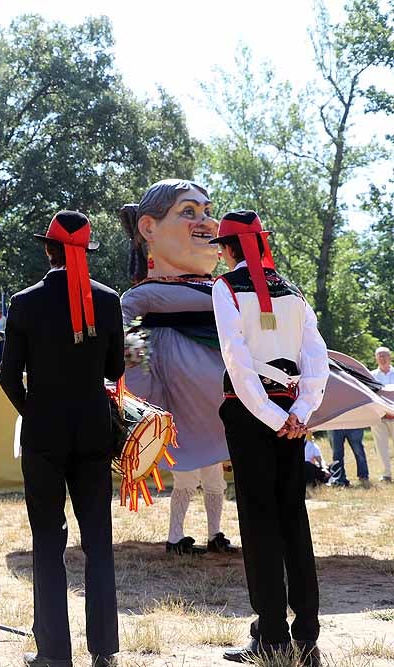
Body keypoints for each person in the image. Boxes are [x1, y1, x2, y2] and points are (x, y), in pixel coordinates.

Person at [0, 211, 123, 667]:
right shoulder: (108, 300)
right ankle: (104, 650)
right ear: (84, 252)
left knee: (47, 543)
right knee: (99, 542)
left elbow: (9, 377)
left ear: (48, 249)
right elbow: (115, 370)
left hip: (44, 433)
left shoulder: (25, 301)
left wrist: (34, 412)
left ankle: (54, 652)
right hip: (93, 429)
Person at [211, 210, 329, 666]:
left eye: (221, 246)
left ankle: (272, 637)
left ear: (230, 249)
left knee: (259, 523)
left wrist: (270, 415)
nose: (219, 253)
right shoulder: (294, 292)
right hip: (290, 418)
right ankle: (307, 635)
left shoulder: (225, 289)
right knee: (293, 520)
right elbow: (316, 356)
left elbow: (236, 360)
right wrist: (298, 412)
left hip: (252, 415)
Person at [118, 179, 236, 556]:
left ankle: (216, 533)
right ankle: (175, 536)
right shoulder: (142, 296)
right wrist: (142, 394)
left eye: (207, 211)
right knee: (185, 480)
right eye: (189, 212)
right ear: (149, 228)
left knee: (215, 481)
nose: (206, 222)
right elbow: (129, 347)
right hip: (179, 412)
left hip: (223, 409)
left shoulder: (224, 291)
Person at [370, 346, 394, 482]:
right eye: (380, 355)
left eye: (385, 355)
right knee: (381, 447)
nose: (383, 358)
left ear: (390, 357)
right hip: (379, 417)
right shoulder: (372, 376)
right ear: (376, 358)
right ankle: (386, 474)